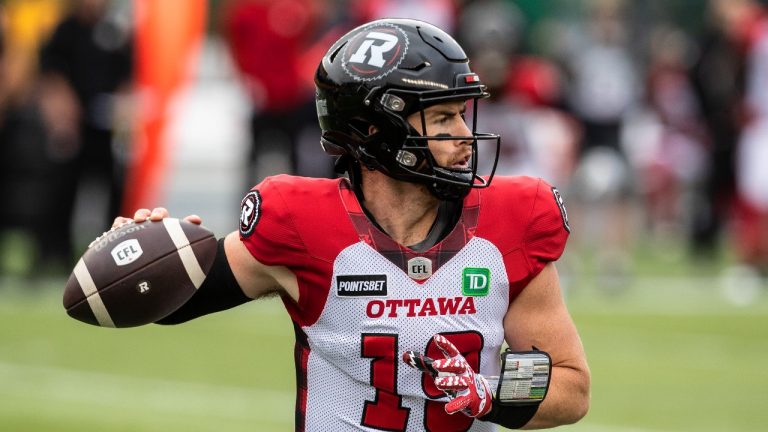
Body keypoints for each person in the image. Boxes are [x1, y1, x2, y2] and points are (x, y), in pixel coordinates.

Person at [112, 18, 590, 431]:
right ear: (377, 131)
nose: (466, 137)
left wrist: (490, 393)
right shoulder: (302, 223)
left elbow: (570, 385)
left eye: (462, 115)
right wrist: (144, 253)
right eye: (443, 118)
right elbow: (169, 298)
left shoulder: (511, 220)